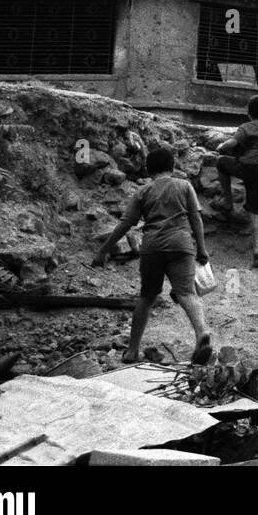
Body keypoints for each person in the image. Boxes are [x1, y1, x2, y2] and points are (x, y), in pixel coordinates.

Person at [92, 145, 212, 365]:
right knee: (186, 293)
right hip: (180, 243)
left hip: (152, 246)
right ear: (172, 167)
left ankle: (131, 351)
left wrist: (103, 250)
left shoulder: (142, 191)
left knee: (147, 297)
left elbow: (126, 223)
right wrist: (202, 249)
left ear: (149, 170)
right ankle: (202, 333)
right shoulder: (184, 186)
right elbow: (196, 219)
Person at [212, 94, 258, 268]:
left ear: (249, 114)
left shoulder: (246, 127)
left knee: (221, 162)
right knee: (256, 210)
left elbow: (231, 143)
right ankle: (257, 251)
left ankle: (228, 201)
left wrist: (220, 147)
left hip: (248, 169)